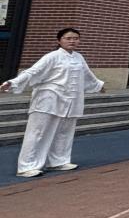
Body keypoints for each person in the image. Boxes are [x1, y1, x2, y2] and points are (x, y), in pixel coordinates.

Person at [2, 27, 105, 177]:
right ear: (59, 40)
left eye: (75, 38)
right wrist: (13, 82)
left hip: (71, 100)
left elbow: (87, 75)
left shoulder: (78, 57)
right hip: (49, 99)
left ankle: (58, 161)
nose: (72, 41)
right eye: (68, 38)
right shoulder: (52, 56)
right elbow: (33, 71)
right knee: (38, 132)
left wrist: (99, 85)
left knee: (64, 131)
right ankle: (26, 166)